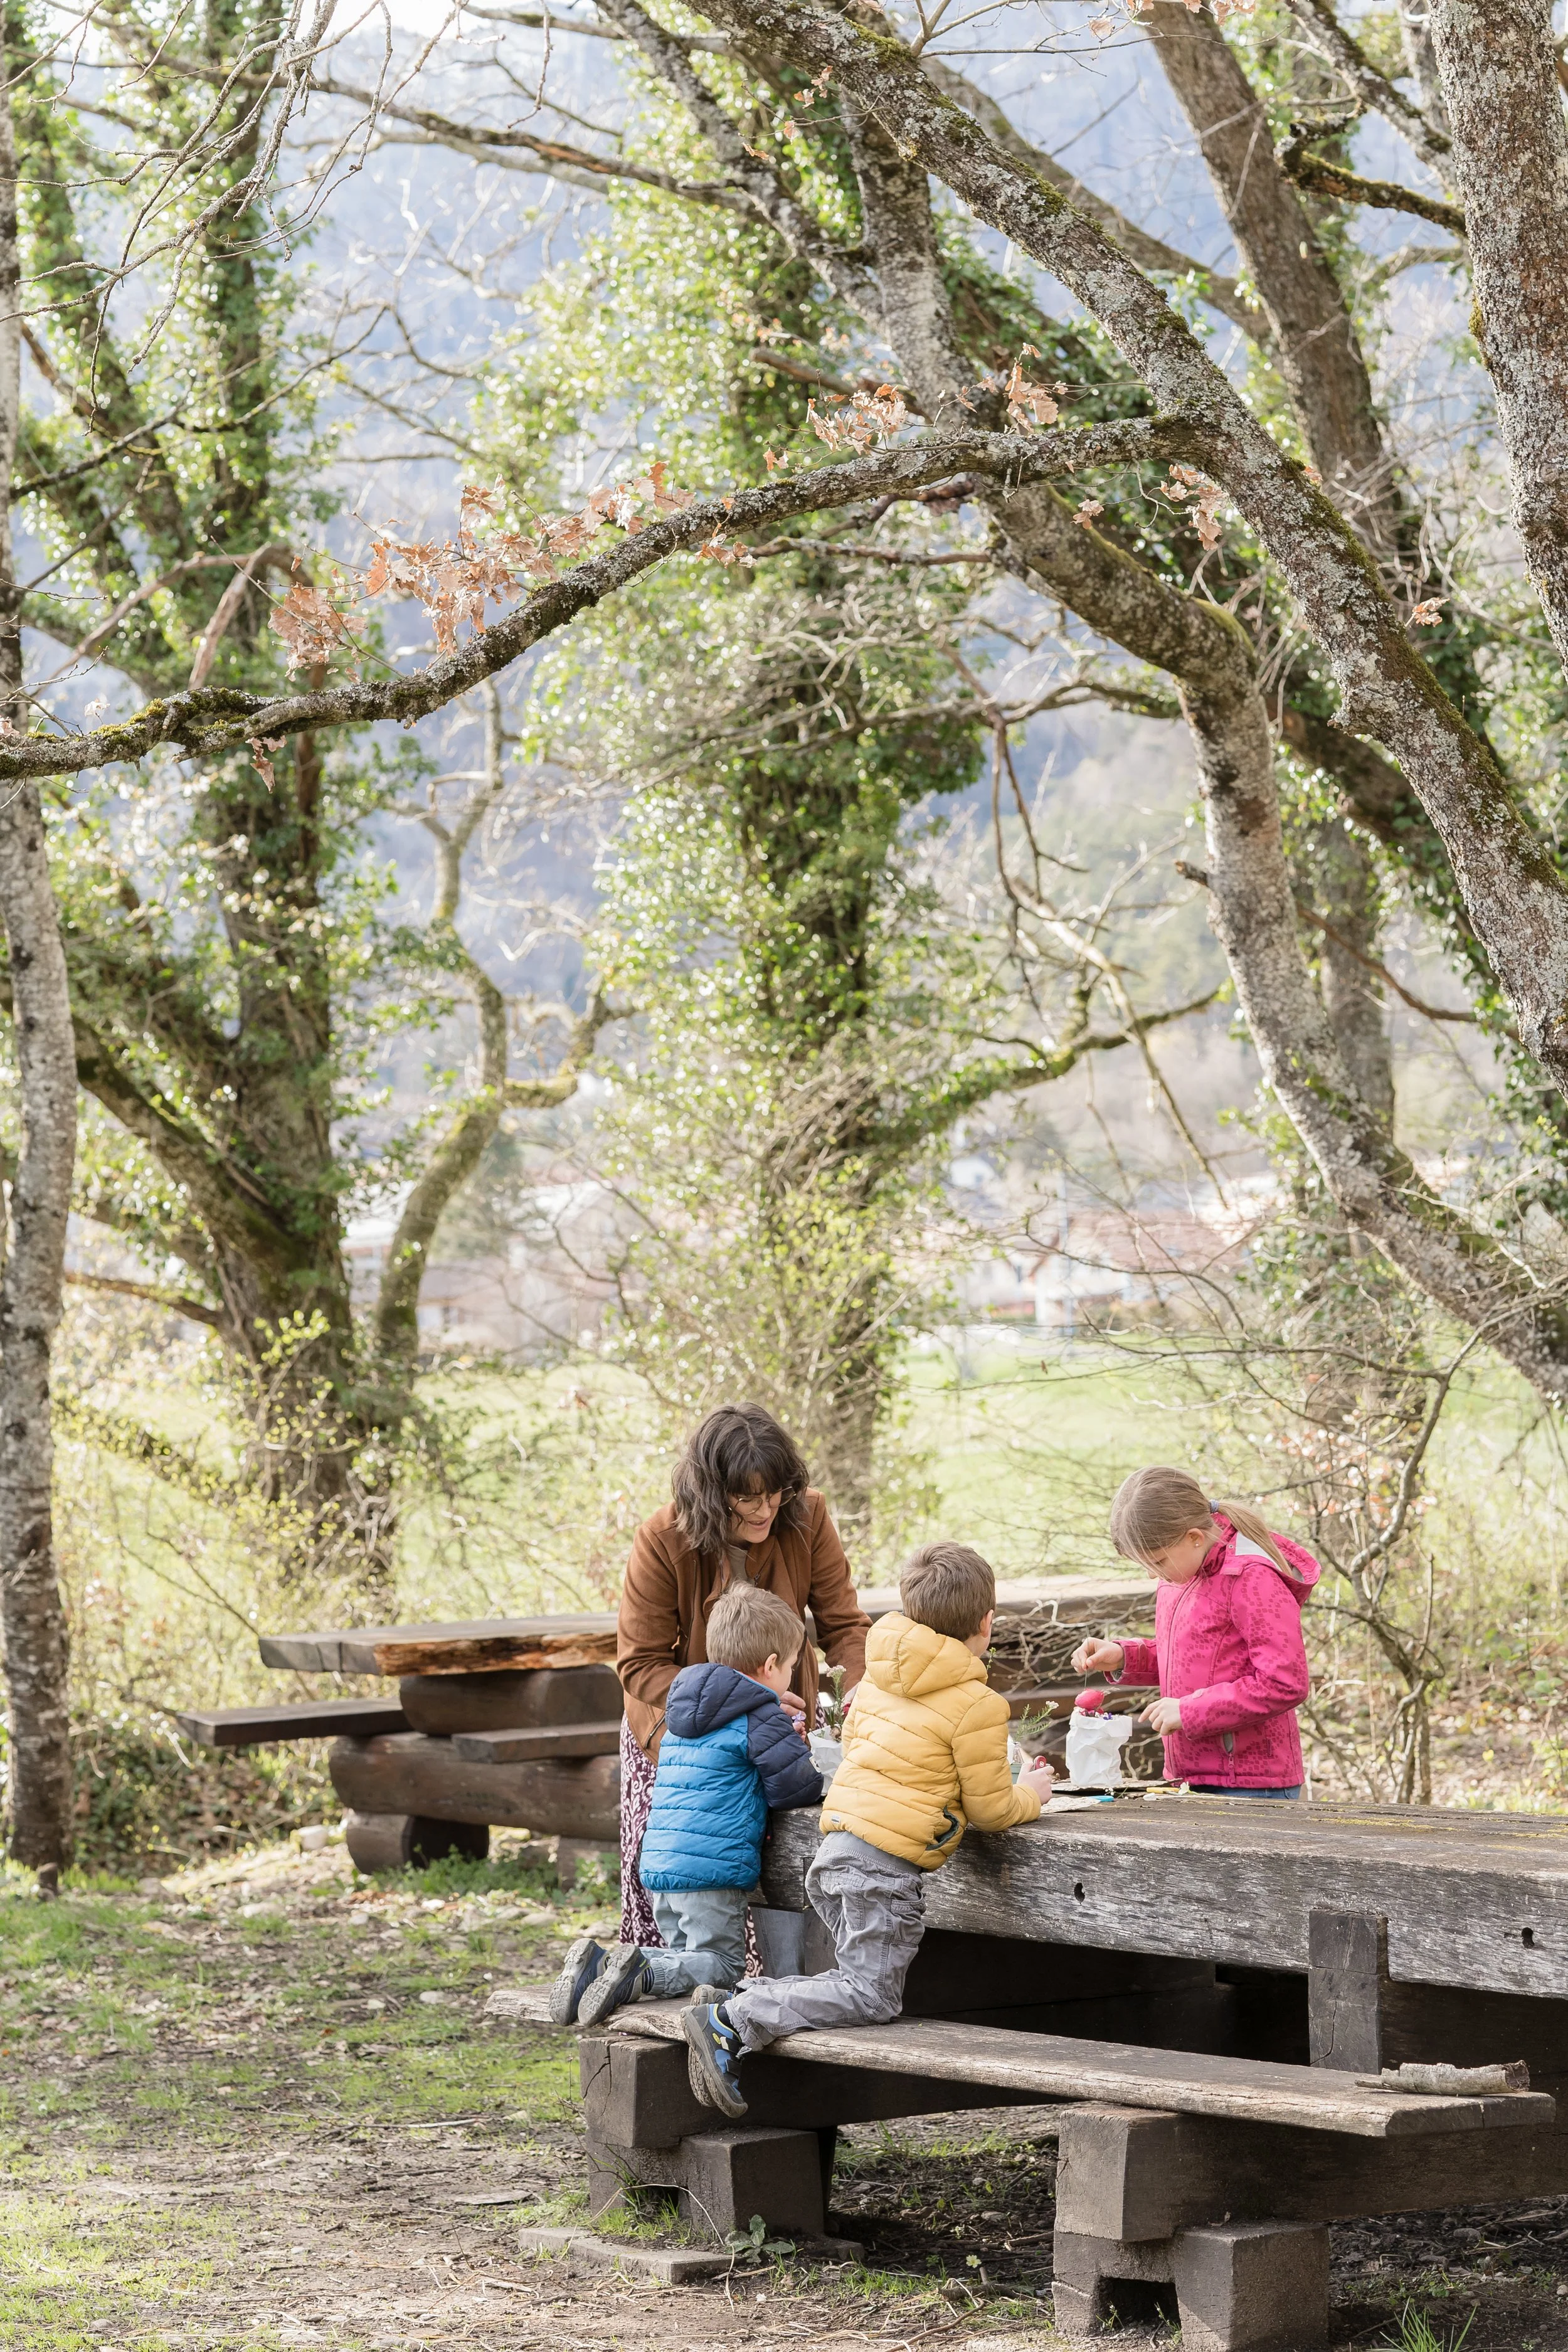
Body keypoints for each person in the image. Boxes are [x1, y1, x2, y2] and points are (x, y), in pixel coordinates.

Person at [682, 1540, 1056, 2118]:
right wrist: (1031, 1793)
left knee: (853, 1980)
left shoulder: (877, 1680)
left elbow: (865, 1755)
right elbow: (991, 1809)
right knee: (871, 1995)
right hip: (881, 1871)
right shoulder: (977, 1703)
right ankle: (732, 2019)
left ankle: (739, 2001)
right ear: (987, 1622)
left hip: (836, 1853)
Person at [612, 1403, 870, 1953]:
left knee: (791, 1872)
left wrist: (858, 1697)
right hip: (680, 1740)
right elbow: (640, 1664)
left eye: (775, 1492)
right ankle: (676, 1983)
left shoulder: (808, 1514)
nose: (766, 1509)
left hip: (786, 1730)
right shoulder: (661, 1539)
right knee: (695, 1888)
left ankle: (783, 1987)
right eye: (748, 1498)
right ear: (712, 1492)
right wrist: (746, 1705)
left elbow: (846, 1626)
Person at [552, 1585, 824, 2026]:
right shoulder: (761, 1716)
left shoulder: (682, 1715)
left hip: (660, 1864)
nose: (791, 1676)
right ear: (771, 1665)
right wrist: (797, 1749)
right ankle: (637, 1970)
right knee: (722, 1965)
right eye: (792, 1666)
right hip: (712, 1871)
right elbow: (797, 1788)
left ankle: (597, 1966)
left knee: (684, 1963)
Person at [1073, 1465, 1319, 1798]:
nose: (1151, 1575)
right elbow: (1197, 1656)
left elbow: (1284, 1682)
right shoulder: (1181, 1572)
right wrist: (1124, 1657)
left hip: (1251, 1784)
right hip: (1191, 1776)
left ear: (1194, 1537)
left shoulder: (1251, 1578)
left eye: (1157, 1562)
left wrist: (1190, 1711)